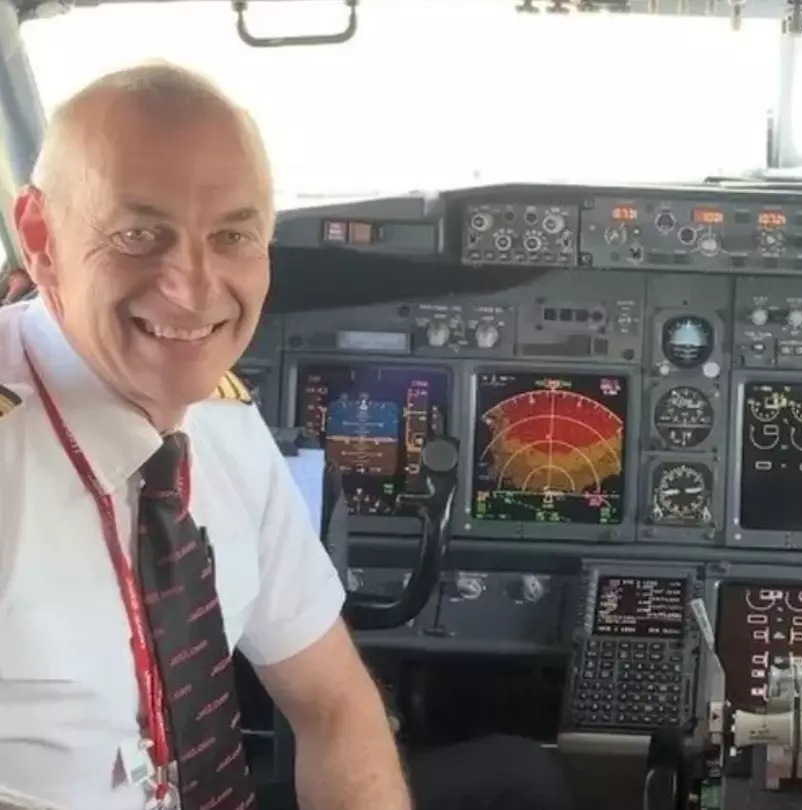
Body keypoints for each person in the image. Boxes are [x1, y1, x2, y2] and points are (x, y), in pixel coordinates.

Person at [0, 63, 570, 810]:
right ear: (40, 236)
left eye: (232, 234)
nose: (193, 286)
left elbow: (333, 703)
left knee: (518, 779)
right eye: (140, 233)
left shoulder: (224, 424)